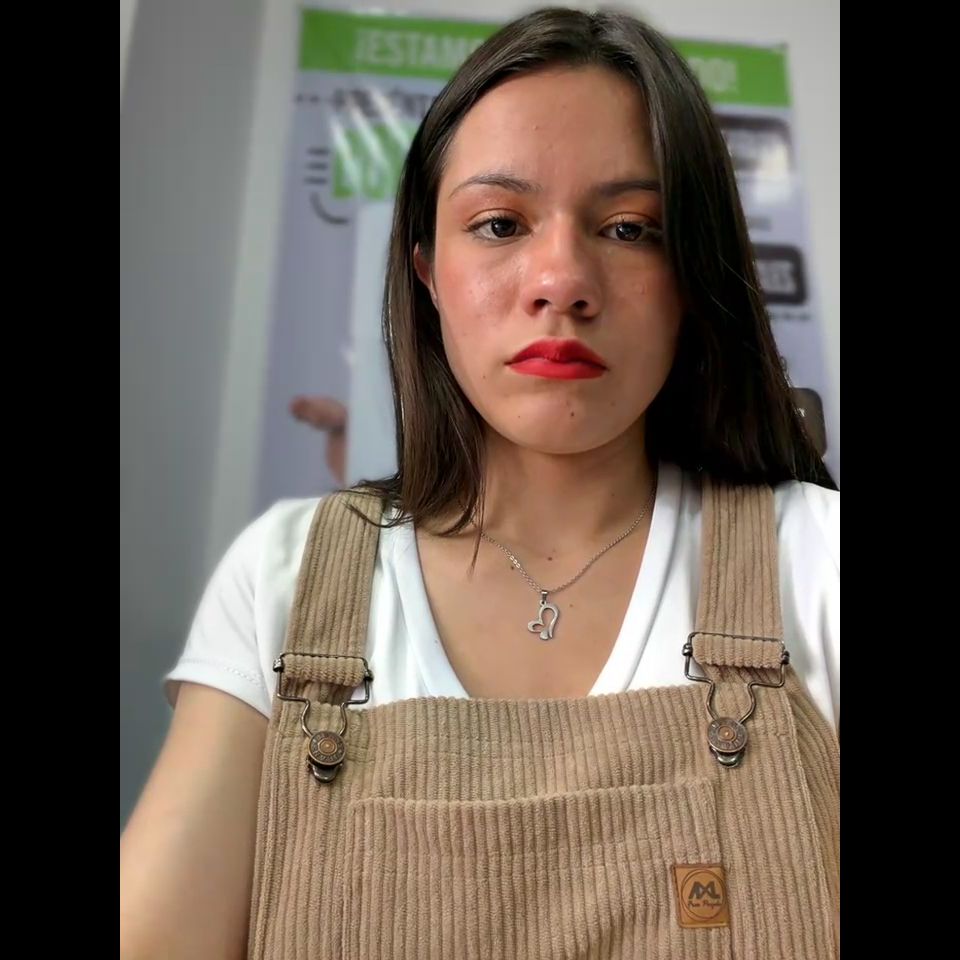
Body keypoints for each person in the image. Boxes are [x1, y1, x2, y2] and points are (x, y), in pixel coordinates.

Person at [120, 8, 839, 958]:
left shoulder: (817, 561)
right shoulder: (287, 581)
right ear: (427, 270)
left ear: (691, 275)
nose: (562, 280)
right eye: (499, 224)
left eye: (630, 228)